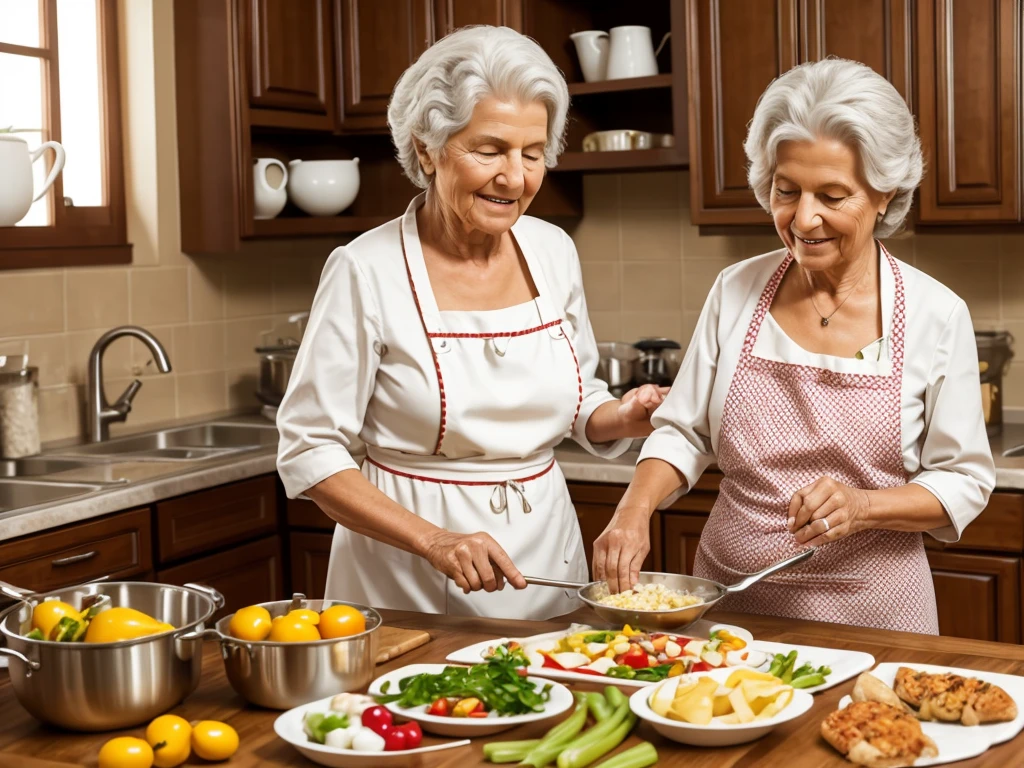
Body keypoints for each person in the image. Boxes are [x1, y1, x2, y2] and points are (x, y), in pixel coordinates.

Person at [592, 58, 996, 634]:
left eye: (832, 196)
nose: (804, 219)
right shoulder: (736, 289)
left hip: (874, 611)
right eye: (787, 191)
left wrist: (864, 507)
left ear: (883, 194)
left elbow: (963, 480)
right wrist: (633, 511)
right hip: (731, 604)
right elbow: (683, 431)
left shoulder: (936, 314)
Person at [276, 26, 666, 619]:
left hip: (545, 563)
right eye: (489, 150)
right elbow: (309, 450)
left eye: (532, 154)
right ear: (428, 149)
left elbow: (582, 401)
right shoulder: (365, 269)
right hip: (404, 573)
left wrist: (624, 417)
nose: (516, 177)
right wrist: (433, 540)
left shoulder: (552, 250)